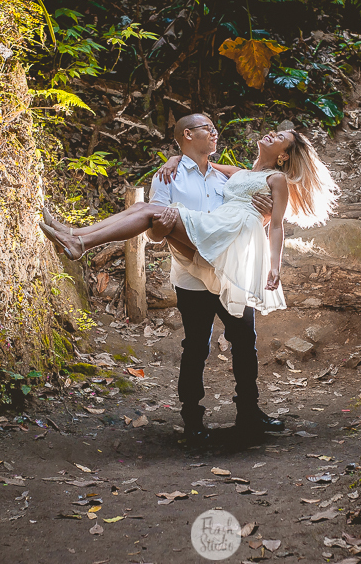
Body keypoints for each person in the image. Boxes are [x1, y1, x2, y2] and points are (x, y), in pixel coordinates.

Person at [40, 113, 339, 440]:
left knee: (245, 343)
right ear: (187, 135)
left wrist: (272, 264)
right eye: (207, 129)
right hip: (194, 266)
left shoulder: (251, 179)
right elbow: (161, 225)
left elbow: (269, 223)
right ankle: (192, 418)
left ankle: (249, 415)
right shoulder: (211, 174)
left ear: (283, 155)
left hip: (229, 254)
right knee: (195, 344)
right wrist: (173, 162)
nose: (214, 134)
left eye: (278, 137)